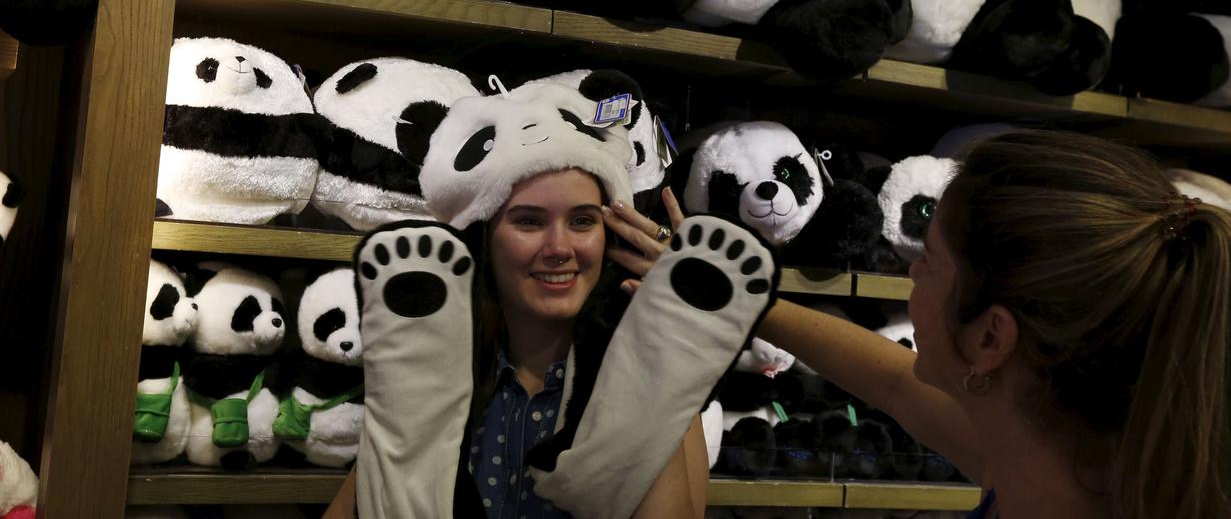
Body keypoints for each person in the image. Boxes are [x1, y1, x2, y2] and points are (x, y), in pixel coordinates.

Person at [751, 130, 1231, 519]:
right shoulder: (1059, 458)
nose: (913, 271)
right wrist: (748, 301)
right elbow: (894, 383)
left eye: (930, 259)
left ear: (990, 337)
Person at [326, 86, 705, 518]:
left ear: (609, 237)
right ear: (485, 238)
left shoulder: (654, 378)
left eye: (582, 220)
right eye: (529, 221)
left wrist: (658, 346)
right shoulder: (427, 374)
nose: (559, 248)